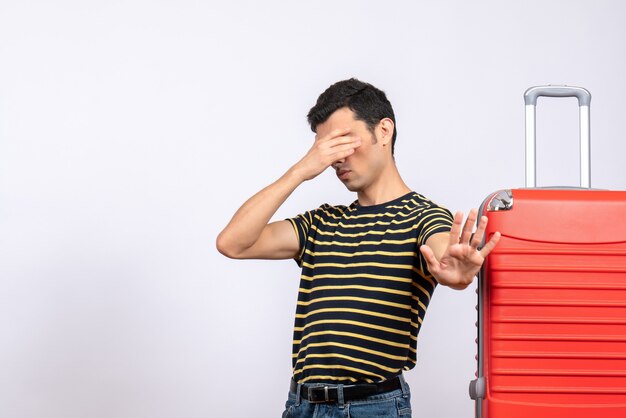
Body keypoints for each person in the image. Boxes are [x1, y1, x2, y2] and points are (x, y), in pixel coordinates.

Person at [216, 78, 500, 418]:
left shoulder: (423, 217)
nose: (336, 159)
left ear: (384, 131)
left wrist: (457, 271)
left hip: (371, 407)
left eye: (343, 141)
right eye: (325, 148)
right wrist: (301, 170)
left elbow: (444, 253)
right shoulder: (322, 223)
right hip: (302, 405)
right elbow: (232, 242)